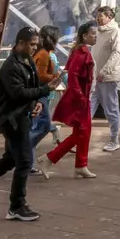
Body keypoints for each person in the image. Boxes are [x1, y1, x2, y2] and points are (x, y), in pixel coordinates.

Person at [0, 26, 50, 221]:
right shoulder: (10, 66)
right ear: (21, 43)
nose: (34, 48)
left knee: (10, 159)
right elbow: (18, 93)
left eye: (35, 44)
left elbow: (30, 87)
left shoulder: (27, 60)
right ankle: (16, 206)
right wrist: (44, 91)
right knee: (24, 161)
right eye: (31, 44)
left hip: (21, 117)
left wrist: (37, 103)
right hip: (12, 120)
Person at [46, 19, 100, 177]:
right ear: (84, 36)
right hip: (80, 98)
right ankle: (51, 159)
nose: (95, 36)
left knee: (84, 132)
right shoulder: (81, 52)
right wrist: (80, 96)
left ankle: (80, 164)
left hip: (83, 97)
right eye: (93, 34)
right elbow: (73, 76)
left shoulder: (83, 51)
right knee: (83, 132)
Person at [92, 5, 120, 152]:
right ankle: (79, 138)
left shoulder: (116, 33)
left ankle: (114, 139)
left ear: (109, 17)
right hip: (94, 76)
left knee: (111, 109)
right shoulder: (97, 33)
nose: (98, 19)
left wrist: (104, 71)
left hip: (107, 77)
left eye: (101, 16)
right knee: (88, 107)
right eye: (97, 16)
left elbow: (116, 54)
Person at [29, 29, 62, 167]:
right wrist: (56, 76)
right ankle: (23, 152)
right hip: (40, 93)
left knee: (39, 125)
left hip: (40, 93)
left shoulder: (44, 53)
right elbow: (41, 76)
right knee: (41, 126)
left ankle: (27, 161)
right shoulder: (43, 54)